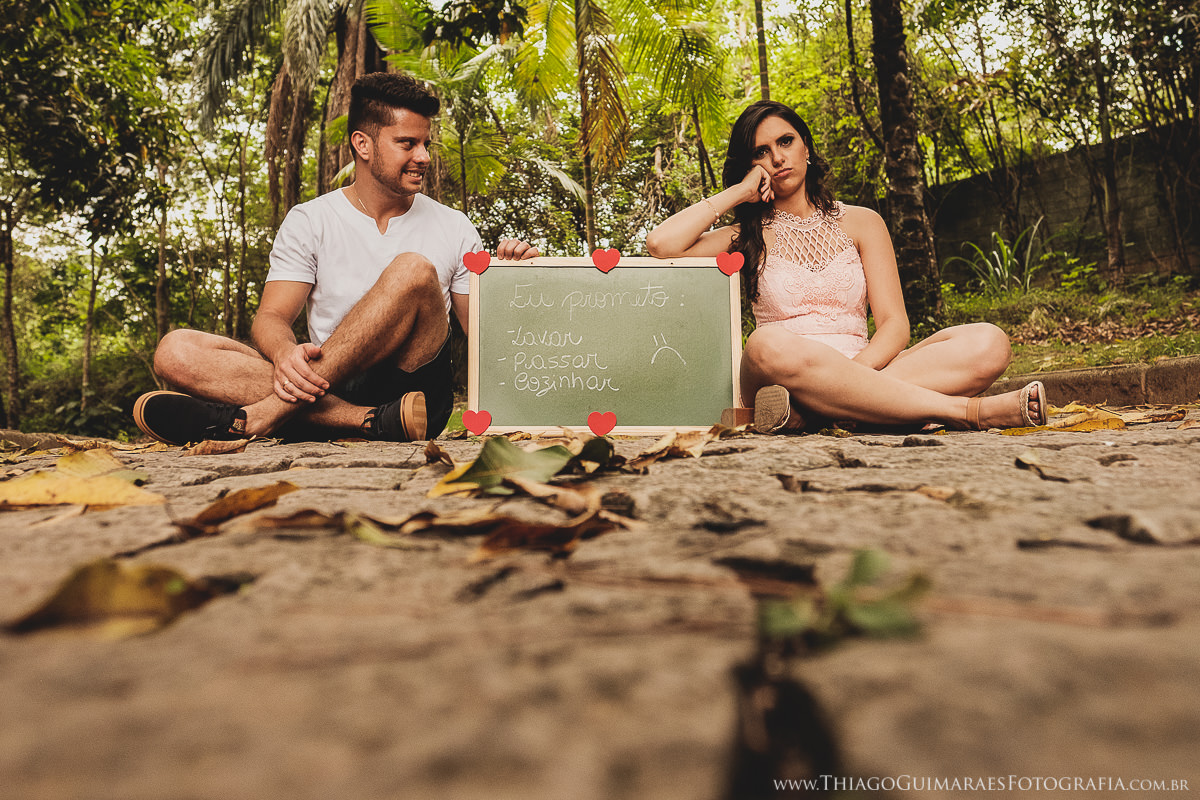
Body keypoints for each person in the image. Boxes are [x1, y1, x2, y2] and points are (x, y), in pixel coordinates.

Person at [133, 72, 538, 445]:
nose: (424, 157)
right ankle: (365, 421)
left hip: (414, 391)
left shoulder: (454, 225)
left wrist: (516, 281)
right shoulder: (310, 219)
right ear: (363, 144)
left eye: (426, 144)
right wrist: (284, 353)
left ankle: (259, 418)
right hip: (336, 390)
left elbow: (483, 335)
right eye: (407, 144)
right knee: (176, 349)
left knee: (412, 269)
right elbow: (271, 318)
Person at [645, 100, 1047, 432]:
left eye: (786, 141)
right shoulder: (742, 236)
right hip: (782, 371)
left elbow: (894, 325)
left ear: (806, 146)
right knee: (765, 343)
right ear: (750, 164)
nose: (778, 157)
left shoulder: (863, 221)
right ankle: (966, 412)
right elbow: (660, 245)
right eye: (761, 151)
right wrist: (740, 191)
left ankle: (824, 413)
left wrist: (852, 379)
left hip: (865, 365)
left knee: (988, 341)